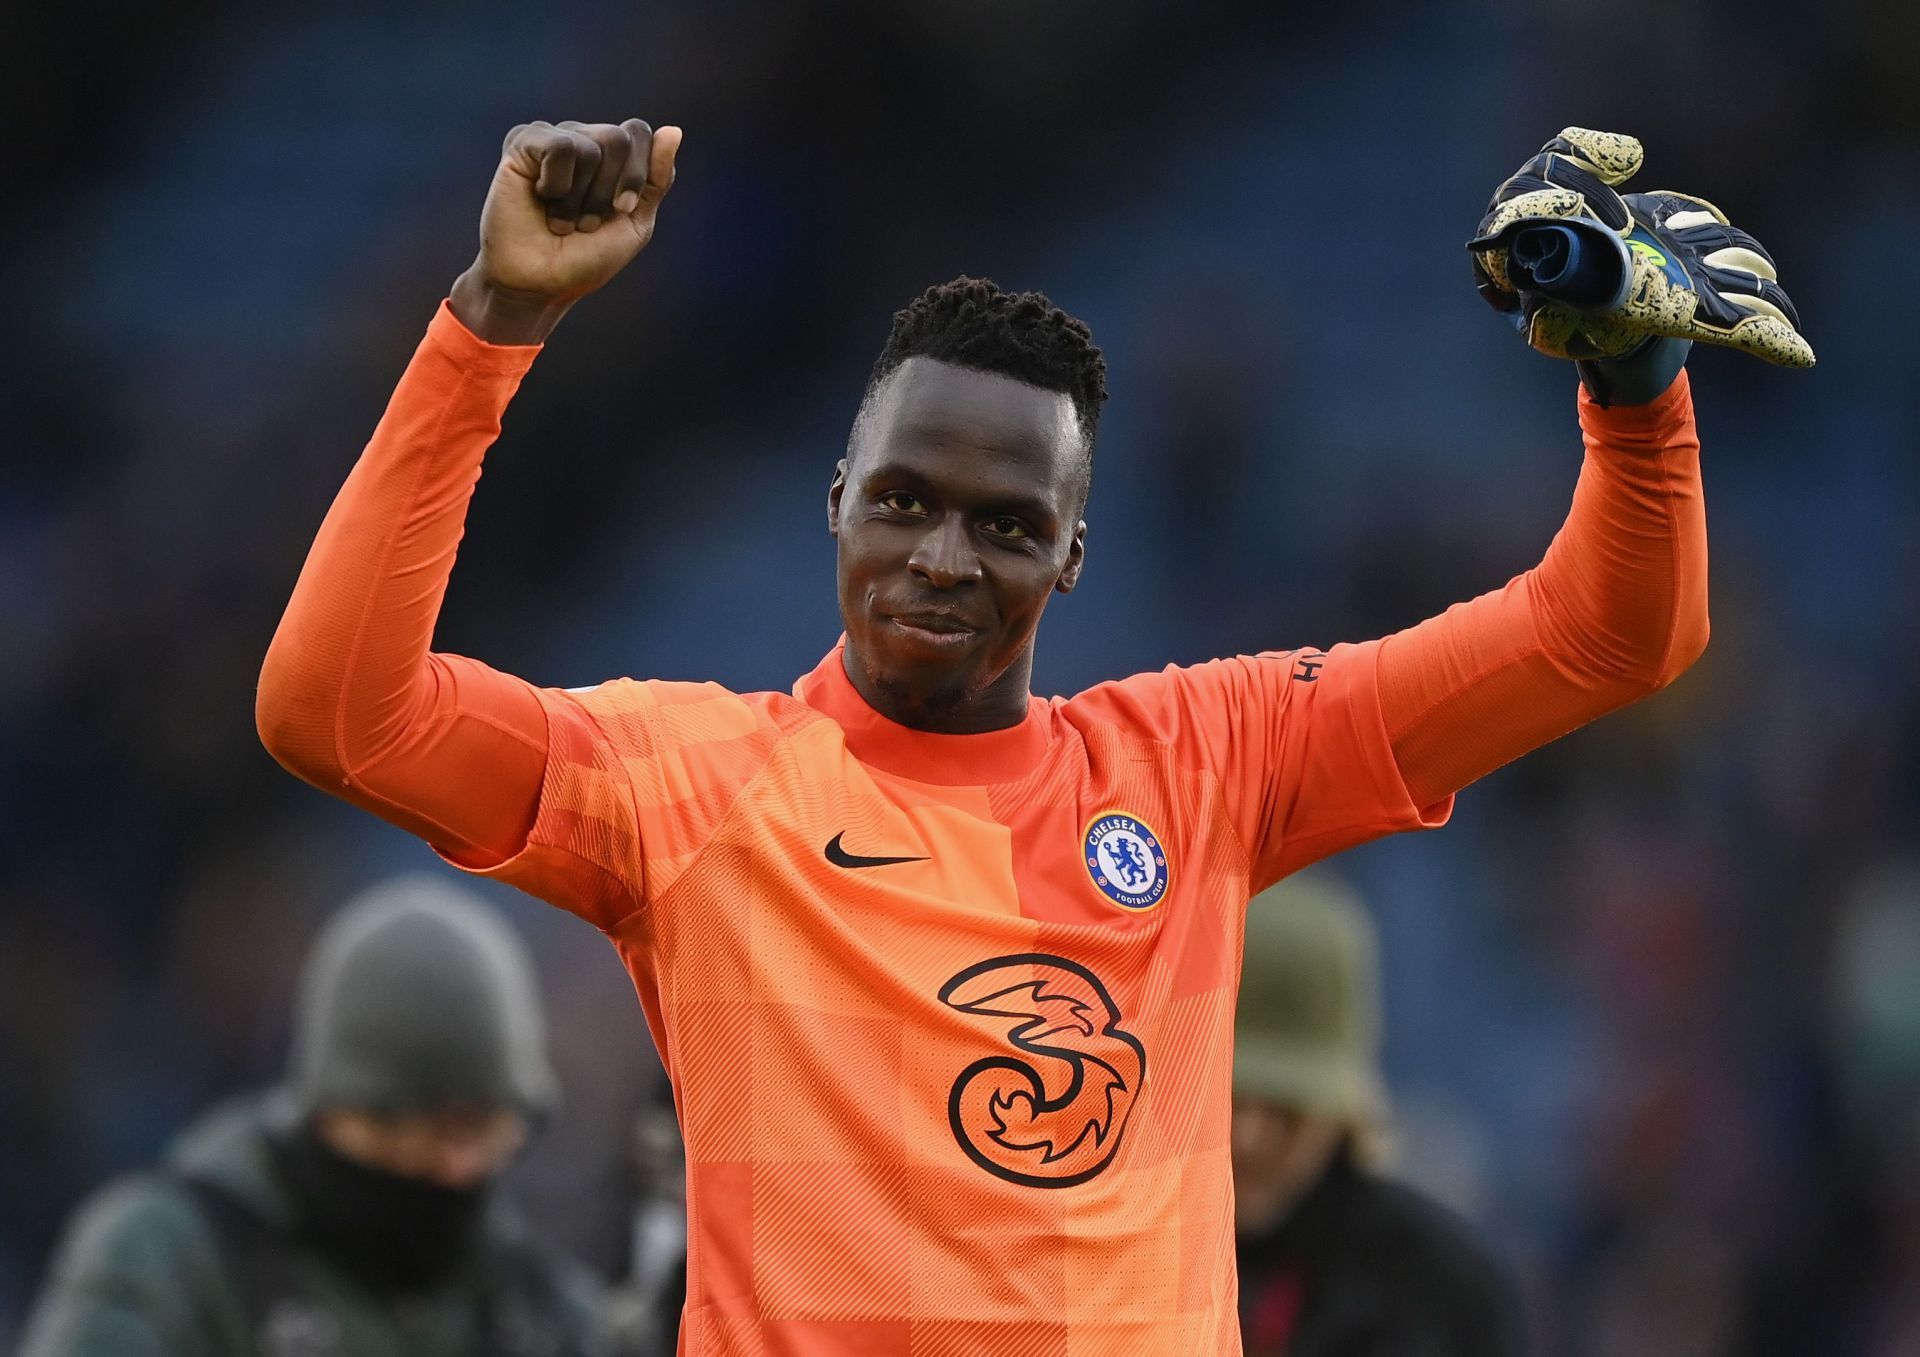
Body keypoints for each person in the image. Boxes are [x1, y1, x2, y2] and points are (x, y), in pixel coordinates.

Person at [253, 119, 1803, 1351]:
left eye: (1005, 523)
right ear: (838, 504)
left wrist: (1635, 385)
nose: (941, 556)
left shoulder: (1204, 763)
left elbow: (1613, 634)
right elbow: (332, 713)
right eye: (904, 501)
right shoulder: (689, 788)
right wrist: (491, 327)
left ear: (1072, 555)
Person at [19, 875, 610, 1357]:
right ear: (339, 1111)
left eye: (484, 1131)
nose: (455, 1168)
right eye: (427, 1131)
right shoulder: (171, 1262)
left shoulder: (534, 1312)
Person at [1233, 870, 1521, 1355]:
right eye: (1226, 1097)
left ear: (1342, 1111)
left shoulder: (1445, 1293)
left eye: (1289, 1111)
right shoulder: (1093, 1262)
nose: (1247, 1137)